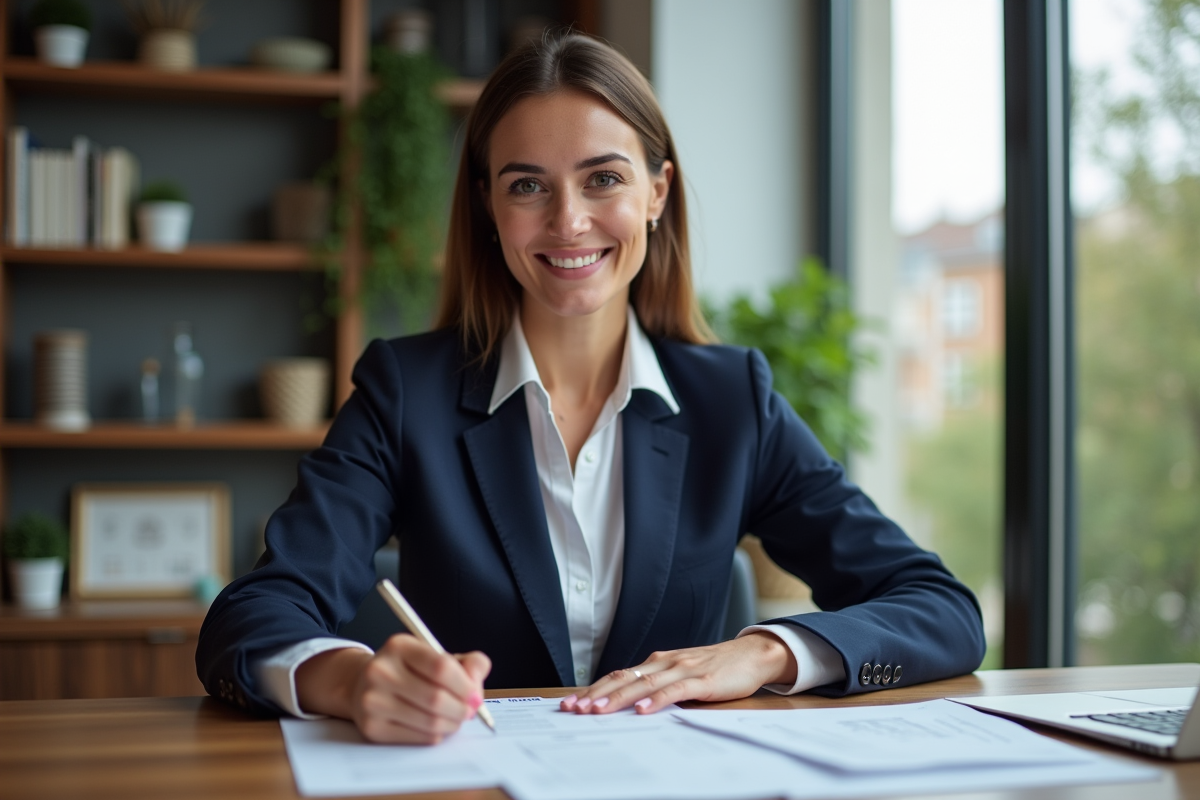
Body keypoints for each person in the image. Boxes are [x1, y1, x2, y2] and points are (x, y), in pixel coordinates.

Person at [197, 33, 985, 745]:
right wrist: (354, 680)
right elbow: (252, 618)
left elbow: (939, 608)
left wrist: (766, 652)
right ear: (489, 206)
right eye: (527, 186)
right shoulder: (406, 391)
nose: (568, 222)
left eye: (602, 178)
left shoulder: (730, 401)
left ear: (657, 193)